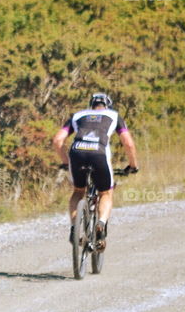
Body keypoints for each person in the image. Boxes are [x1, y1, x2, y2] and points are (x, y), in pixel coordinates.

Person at [53, 92, 139, 249]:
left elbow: (58, 140)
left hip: (76, 152)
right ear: (107, 106)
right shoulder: (114, 115)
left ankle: (74, 227)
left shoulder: (77, 115)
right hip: (99, 153)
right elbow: (128, 144)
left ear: (91, 105)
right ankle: (101, 223)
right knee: (106, 192)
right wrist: (133, 165)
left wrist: (66, 162)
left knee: (78, 191)